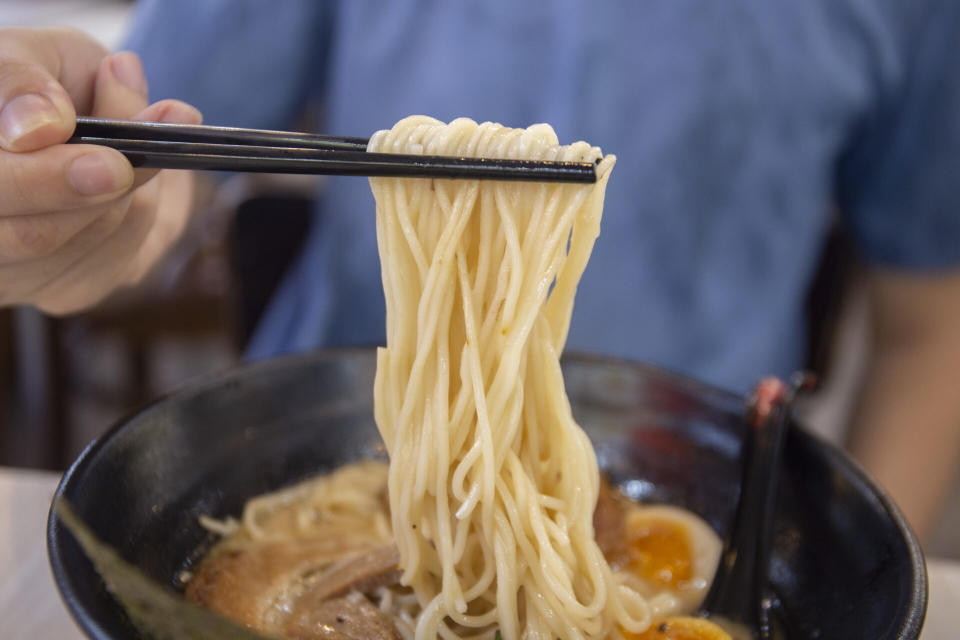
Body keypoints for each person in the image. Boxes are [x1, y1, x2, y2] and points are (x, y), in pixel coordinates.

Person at [1, 0, 958, 538]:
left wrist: (859, 568)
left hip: (682, 494)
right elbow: (170, 153)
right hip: (324, 459)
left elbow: (932, 321)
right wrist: (87, 204)